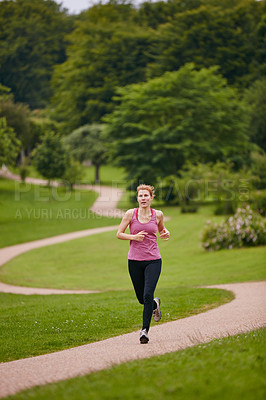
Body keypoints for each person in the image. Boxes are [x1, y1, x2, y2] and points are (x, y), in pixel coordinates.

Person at [117, 184, 170, 344]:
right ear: (137, 198)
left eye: (146, 196)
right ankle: (155, 304)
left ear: (151, 198)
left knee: (147, 294)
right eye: (141, 196)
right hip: (134, 261)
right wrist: (133, 237)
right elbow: (119, 234)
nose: (143, 198)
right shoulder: (130, 214)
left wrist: (166, 233)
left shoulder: (158, 214)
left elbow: (162, 231)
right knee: (142, 299)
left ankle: (144, 331)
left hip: (153, 260)